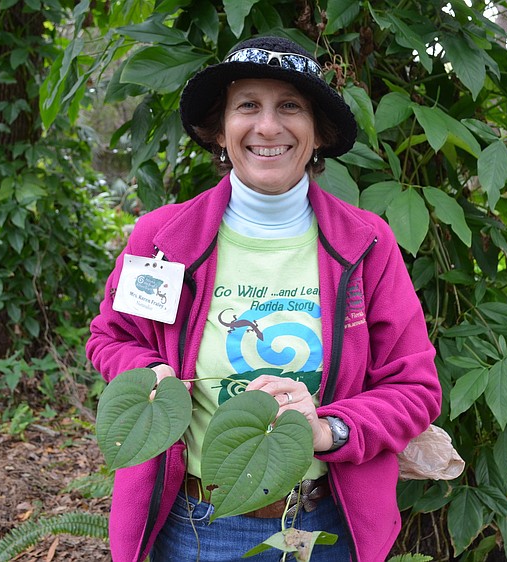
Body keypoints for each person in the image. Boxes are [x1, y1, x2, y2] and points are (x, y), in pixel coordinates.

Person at [86, 35, 442, 562]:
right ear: (220, 128)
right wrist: (148, 372)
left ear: (318, 132)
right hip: (196, 527)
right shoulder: (166, 239)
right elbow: (112, 337)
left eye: (290, 107)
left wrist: (330, 428)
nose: (268, 126)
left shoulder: (366, 245)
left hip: (325, 525)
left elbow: (413, 387)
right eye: (247, 105)